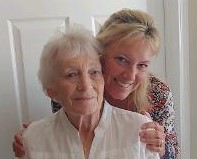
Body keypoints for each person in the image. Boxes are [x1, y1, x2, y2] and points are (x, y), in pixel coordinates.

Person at [13, 9, 180, 158]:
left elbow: (173, 153)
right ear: (101, 55)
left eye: (142, 65)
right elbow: (66, 135)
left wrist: (161, 147)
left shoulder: (158, 93)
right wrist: (33, 143)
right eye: (122, 59)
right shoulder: (74, 92)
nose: (130, 75)